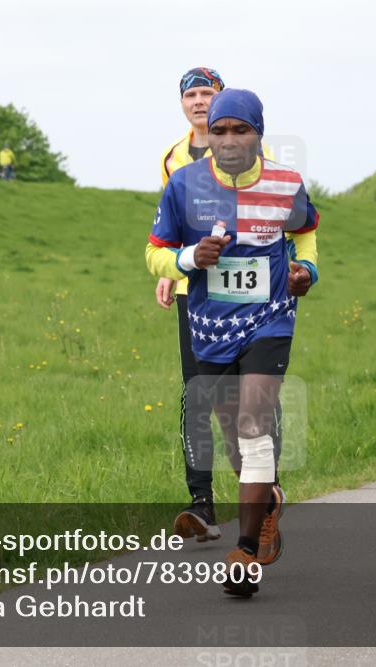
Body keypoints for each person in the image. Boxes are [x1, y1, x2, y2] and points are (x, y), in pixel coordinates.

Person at [146, 88, 319, 596]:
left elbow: (305, 233)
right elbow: (155, 253)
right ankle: (264, 504)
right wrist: (187, 259)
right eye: (219, 131)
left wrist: (306, 269)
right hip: (210, 324)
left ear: (258, 134)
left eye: (240, 130)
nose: (228, 140)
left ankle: (244, 551)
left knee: (252, 421)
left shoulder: (287, 183)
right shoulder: (183, 185)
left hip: (271, 318)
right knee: (232, 436)